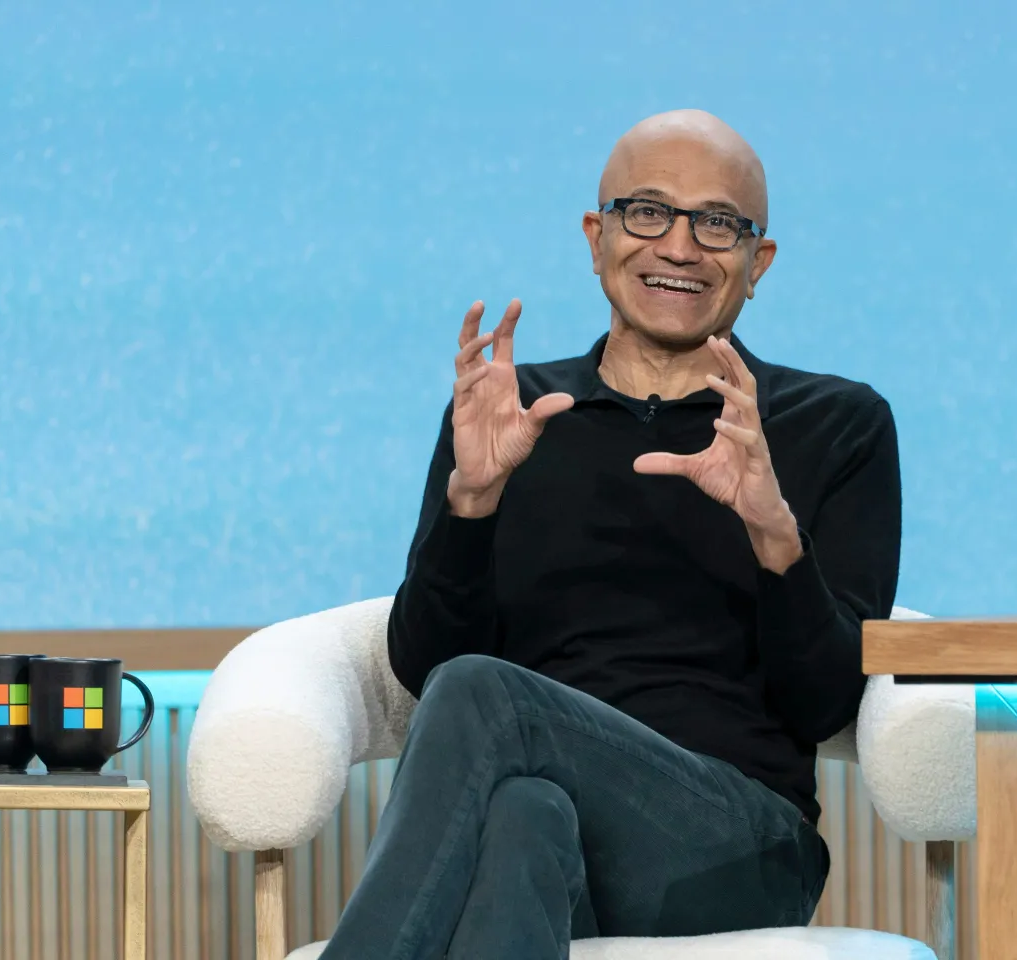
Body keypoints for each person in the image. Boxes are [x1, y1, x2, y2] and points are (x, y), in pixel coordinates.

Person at [320, 109, 902, 960]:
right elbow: (423, 667)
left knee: (486, 696)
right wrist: (471, 504)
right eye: (648, 212)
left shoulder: (833, 422)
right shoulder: (514, 411)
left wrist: (774, 535)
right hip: (553, 823)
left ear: (758, 261)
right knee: (522, 814)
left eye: (717, 223)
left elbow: (829, 704)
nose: (679, 247)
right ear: (598, 239)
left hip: (738, 845)